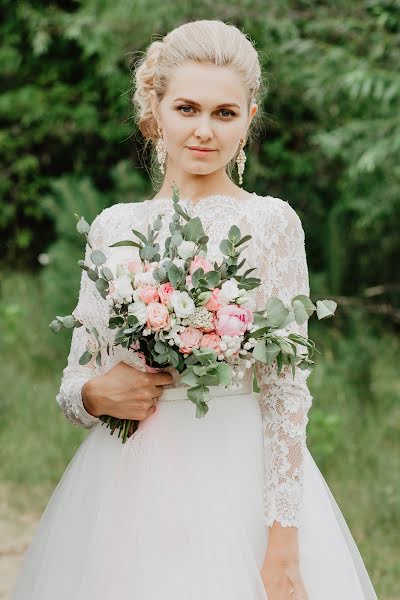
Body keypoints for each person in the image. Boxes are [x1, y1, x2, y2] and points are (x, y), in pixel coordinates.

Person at [11, 19, 378, 600]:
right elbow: (77, 377)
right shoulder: (113, 227)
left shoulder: (271, 224)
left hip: (238, 477)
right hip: (126, 488)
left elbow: (286, 389)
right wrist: (93, 395)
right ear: (154, 111)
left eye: (225, 113)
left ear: (248, 120)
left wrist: (281, 545)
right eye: (187, 108)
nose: (205, 130)